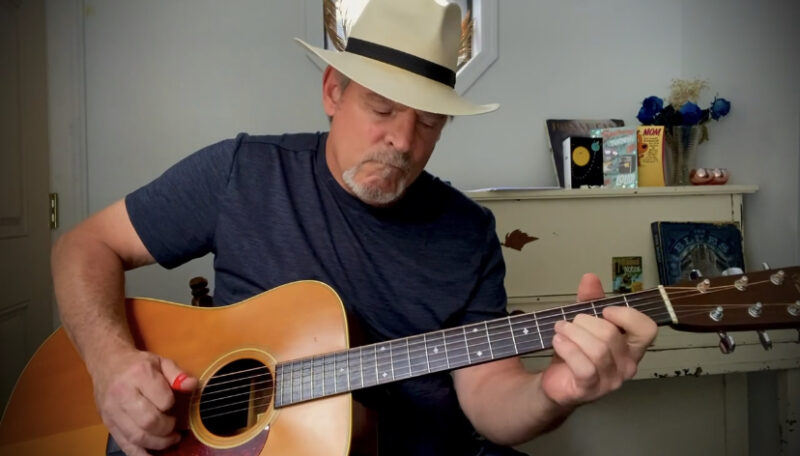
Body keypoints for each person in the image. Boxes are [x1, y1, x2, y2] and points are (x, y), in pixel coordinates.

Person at [51, 0, 658, 455]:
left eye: (428, 122)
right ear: (332, 91)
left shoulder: (467, 233)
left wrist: (555, 393)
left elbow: (490, 398)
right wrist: (111, 365)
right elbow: (84, 246)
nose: (402, 140)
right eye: (382, 109)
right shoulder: (244, 171)